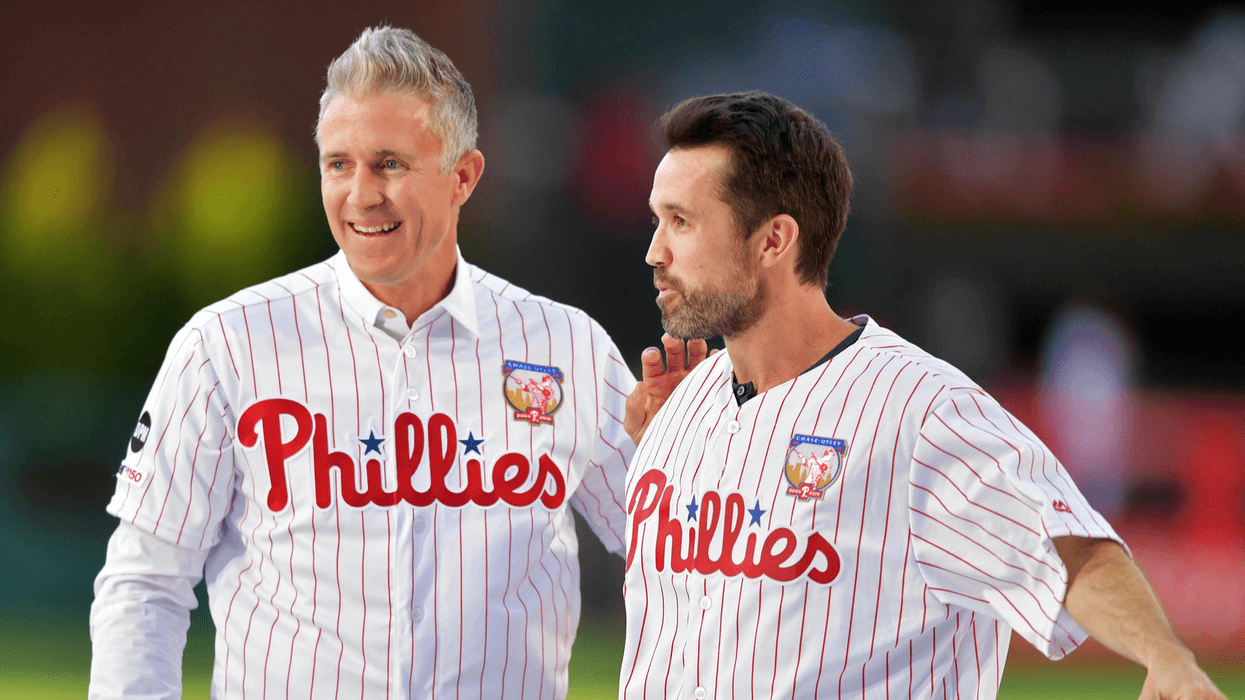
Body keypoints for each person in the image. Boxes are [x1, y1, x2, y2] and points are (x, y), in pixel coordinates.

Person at [89, 26, 639, 699]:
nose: (361, 194)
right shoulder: (225, 344)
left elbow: (672, 555)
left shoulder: (568, 348)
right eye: (338, 165)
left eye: (390, 164)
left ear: (463, 177)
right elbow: (146, 582)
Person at [619, 91, 1226, 700]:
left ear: (774, 240)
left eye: (682, 222)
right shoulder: (682, 404)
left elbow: (1070, 547)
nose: (654, 252)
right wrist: (663, 444)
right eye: (656, 220)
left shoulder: (920, 411)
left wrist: (1166, 659)